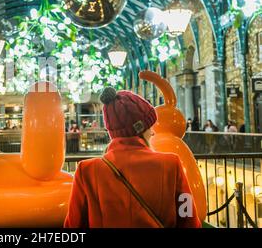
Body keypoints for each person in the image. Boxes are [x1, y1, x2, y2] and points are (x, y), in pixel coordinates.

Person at [64, 87, 201, 228]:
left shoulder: (86, 171)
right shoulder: (171, 164)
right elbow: (188, 218)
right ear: (141, 129)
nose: (152, 131)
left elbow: (73, 225)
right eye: (149, 126)